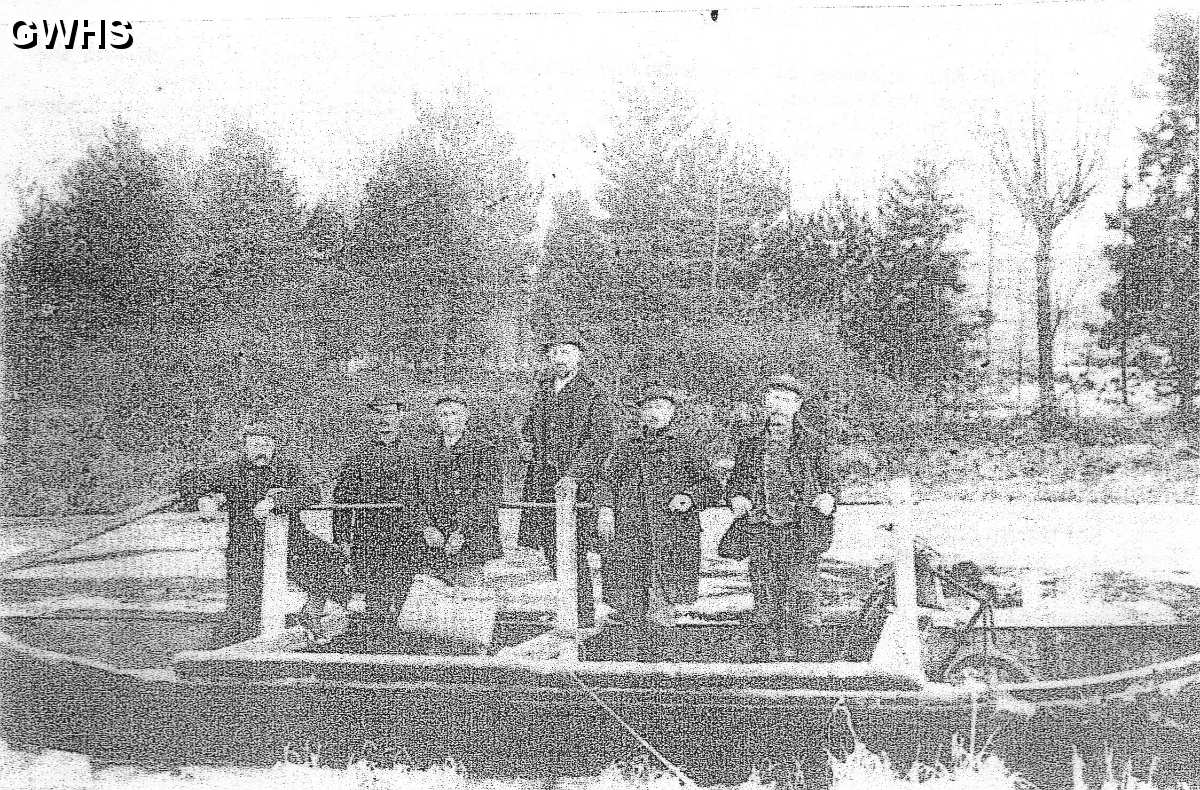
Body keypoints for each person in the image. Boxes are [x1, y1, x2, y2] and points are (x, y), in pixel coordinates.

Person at [178, 421, 350, 647]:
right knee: (244, 608)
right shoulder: (230, 470)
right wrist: (203, 499)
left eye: (267, 445)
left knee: (333, 561)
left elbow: (312, 493)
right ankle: (228, 652)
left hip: (292, 542)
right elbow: (188, 481)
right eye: (256, 445)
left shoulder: (287, 468)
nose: (262, 451)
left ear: (274, 446)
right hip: (247, 547)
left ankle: (312, 613)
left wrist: (275, 501)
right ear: (245, 446)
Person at [726, 375, 839, 657]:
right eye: (775, 398)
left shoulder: (813, 442)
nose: (780, 406)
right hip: (762, 527)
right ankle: (766, 655)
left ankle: (809, 656)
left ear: (798, 405)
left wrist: (829, 497)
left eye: (787, 400)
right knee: (764, 588)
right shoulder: (751, 443)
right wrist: (736, 498)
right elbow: (736, 483)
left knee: (803, 588)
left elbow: (831, 482)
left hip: (801, 527)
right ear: (766, 402)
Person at [597, 386, 715, 640]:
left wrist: (690, 496)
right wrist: (606, 509)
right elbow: (605, 481)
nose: (653, 413)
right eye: (648, 407)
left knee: (663, 602)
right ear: (640, 413)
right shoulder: (626, 446)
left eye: (660, 408)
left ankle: (662, 654)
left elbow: (711, 484)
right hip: (631, 527)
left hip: (672, 529)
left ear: (672, 413)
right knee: (629, 597)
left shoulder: (687, 446)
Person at [516, 328, 614, 628]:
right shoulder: (544, 390)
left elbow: (600, 440)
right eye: (555, 352)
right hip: (542, 483)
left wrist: (574, 474)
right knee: (550, 546)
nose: (560, 358)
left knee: (576, 549)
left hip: (578, 486)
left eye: (567, 352)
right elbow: (530, 428)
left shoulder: (594, 393)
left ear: (580, 357)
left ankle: (582, 614)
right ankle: (566, 607)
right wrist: (525, 442)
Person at [332, 391, 418, 628]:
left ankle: (402, 636)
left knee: (405, 586)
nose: (384, 418)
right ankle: (376, 637)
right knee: (374, 590)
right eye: (379, 413)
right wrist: (341, 537)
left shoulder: (416, 454)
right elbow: (342, 500)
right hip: (369, 532)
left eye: (390, 412)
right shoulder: (359, 456)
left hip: (406, 532)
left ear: (401, 415)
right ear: (372, 418)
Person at [412, 391, 504, 586]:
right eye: (443, 415)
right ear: (436, 418)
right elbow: (412, 495)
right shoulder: (424, 452)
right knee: (433, 601)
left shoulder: (484, 450)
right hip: (433, 542)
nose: (449, 419)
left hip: (471, 540)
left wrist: (462, 531)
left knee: (469, 601)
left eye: (454, 413)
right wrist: (427, 528)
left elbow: (488, 497)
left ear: (466, 415)